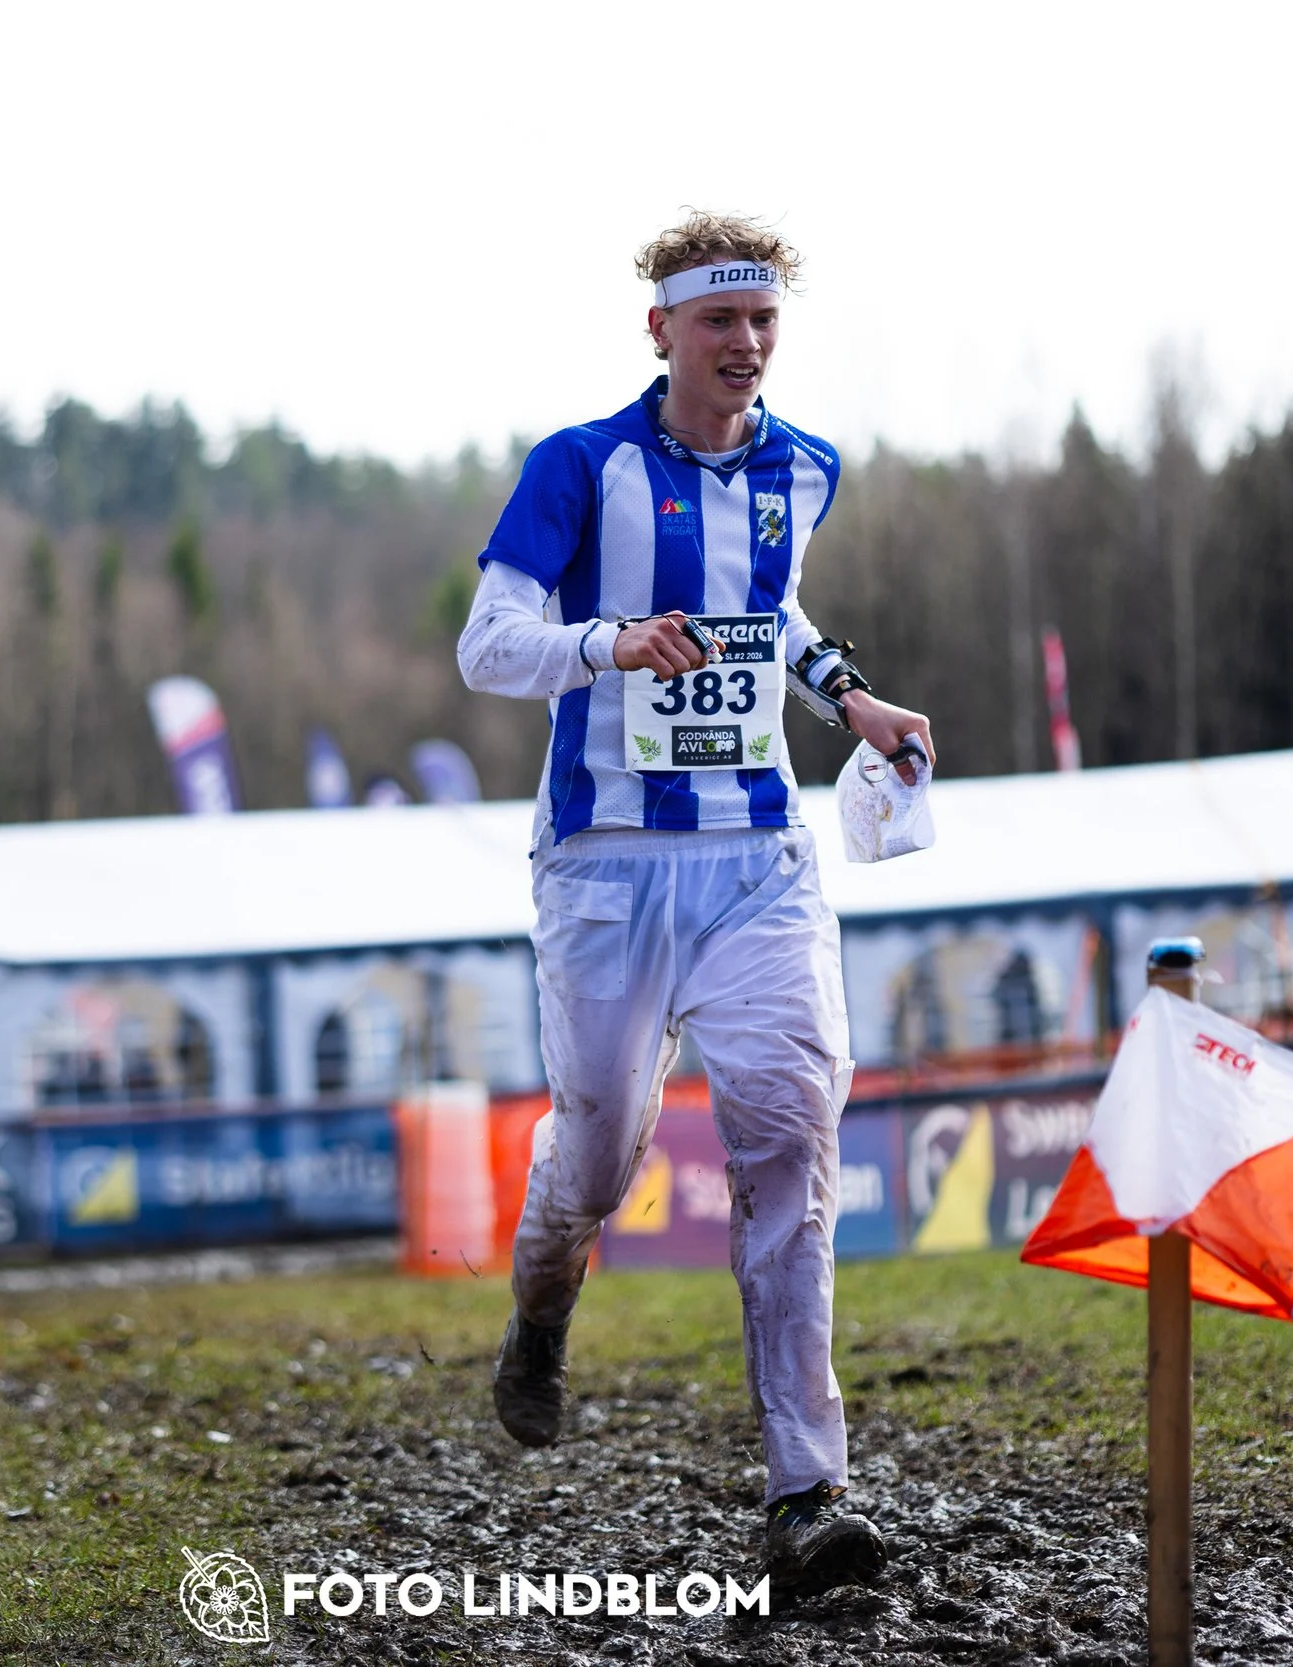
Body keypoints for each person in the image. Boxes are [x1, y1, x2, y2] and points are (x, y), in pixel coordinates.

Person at [456, 212, 935, 1597]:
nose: (746, 344)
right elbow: (487, 646)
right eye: (719, 320)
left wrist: (850, 695)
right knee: (601, 1157)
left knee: (792, 1128)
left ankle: (807, 1491)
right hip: (604, 863)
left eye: (764, 320)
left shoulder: (807, 467)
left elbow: (771, 611)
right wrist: (610, 644)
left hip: (756, 861)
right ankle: (544, 1300)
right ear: (659, 329)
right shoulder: (577, 467)